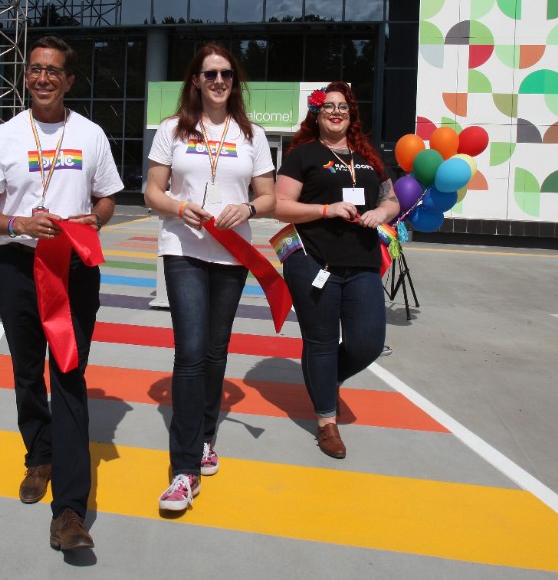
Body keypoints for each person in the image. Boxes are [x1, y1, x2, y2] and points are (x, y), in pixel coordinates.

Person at [0, 35, 123, 551]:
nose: (43, 78)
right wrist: (18, 223)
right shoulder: (4, 137)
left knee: (70, 376)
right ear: (26, 75)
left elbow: (106, 201)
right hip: (18, 265)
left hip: (74, 269)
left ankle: (71, 513)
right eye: (35, 69)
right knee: (27, 371)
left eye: (54, 71)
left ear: (69, 80)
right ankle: (40, 455)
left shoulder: (91, 134)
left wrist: (92, 220)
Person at [144, 43, 276, 513]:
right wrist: (180, 207)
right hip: (183, 248)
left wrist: (250, 207)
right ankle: (183, 470)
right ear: (195, 81)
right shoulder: (172, 131)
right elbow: (151, 191)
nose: (218, 80)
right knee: (191, 350)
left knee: (216, 350)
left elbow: (269, 197)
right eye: (209, 74)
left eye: (225, 73)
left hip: (232, 254)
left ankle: (205, 435)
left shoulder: (251, 134)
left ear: (233, 81)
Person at [274, 82, 398, 459]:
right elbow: (280, 206)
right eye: (328, 106)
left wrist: (382, 212)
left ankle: (326, 379)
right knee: (321, 342)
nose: (336, 112)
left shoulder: (368, 156)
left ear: (351, 113)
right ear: (318, 112)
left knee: (368, 342)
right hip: (314, 261)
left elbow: (391, 198)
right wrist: (325, 210)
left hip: (362, 263)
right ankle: (327, 422)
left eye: (342, 106)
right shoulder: (303, 155)